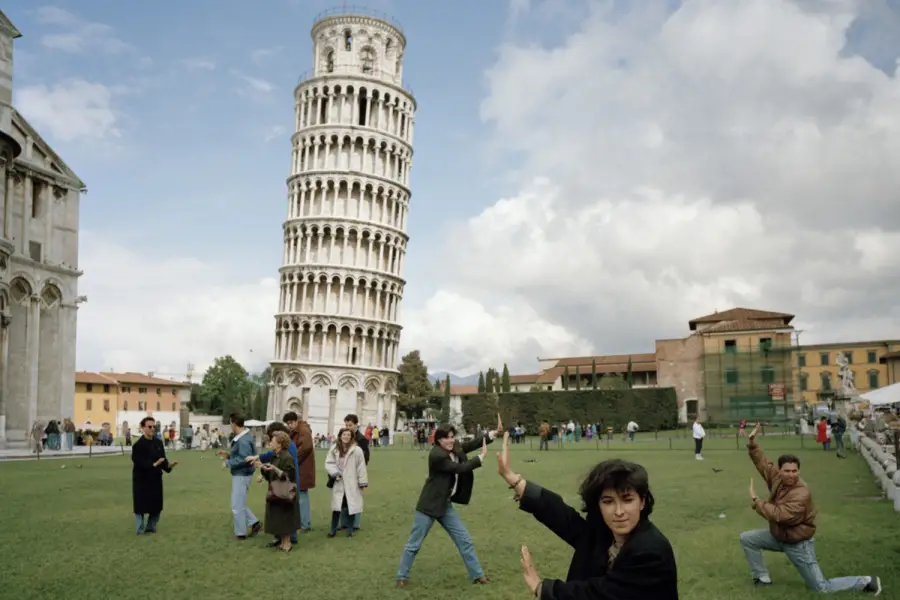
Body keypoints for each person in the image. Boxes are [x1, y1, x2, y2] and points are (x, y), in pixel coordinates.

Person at [496, 432, 678, 599]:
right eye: (608, 501)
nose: (619, 511)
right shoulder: (605, 534)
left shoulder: (649, 551)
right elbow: (564, 518)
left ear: (642, 501)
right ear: (597, 505)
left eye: (627, 499)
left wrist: (541, 587)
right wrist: (514, 480)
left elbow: (599, 595)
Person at [738, 422, 882, 594]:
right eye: (787, 471)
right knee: (747, 539)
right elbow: (763, 464)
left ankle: (866, 582)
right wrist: (753, 443)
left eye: (794, 471)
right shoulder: (777, 478)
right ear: (780, 470)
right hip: (779, 536)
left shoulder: (801, 493)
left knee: (821, 587)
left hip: (798, 544)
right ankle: (762, 579)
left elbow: (781, 515)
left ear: (798, 471)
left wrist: (756, 500)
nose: (791, 475)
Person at [396, 415, 503, 588]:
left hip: (445, 505)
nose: (451, 440)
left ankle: (477, 575)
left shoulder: (454, 447)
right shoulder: (437, 455)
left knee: (464, 540)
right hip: (429, 506)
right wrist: (480, 458)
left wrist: (493, 434)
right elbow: (459, 468)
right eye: (446, 438)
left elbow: (471, 444)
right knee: (414, 544)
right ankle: (401, 577)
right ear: (439, 440)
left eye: (452, 437)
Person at [248, 422, 301, 547]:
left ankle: (287, 543)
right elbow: (271, 475)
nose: (270, 442)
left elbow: (288, 475)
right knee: (278, 516)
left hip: (285, 491)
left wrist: (274, 469)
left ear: (279, 443)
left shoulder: (287, 457)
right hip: (276, 490)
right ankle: (282, 542)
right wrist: (262, 468)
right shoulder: (275, 456)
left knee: (285, 516)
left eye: (272, 440)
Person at [216, 413, 261, 540]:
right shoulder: (244, 437)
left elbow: (244, 458)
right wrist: (229, 455)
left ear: (234, 423)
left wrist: (228, 462)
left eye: (230, 423)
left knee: (236, 505)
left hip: (242, 474)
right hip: (243, 473)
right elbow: (243, 456)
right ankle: (254, 523)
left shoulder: (243, 440)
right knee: (239, 502)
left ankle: (241, 534)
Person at [132, 417, 178, 534]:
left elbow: (162, 460)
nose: (152, 429)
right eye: (150, 426)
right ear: (143, 428)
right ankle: (140, 528)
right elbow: (138, 461)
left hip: (155, 479)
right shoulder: (138, 445)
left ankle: (151, 526)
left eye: (154, 427)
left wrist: (169, 466)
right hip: (142, 479)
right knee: (140, 505)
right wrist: (153, 464)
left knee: (156, 504)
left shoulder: (158, 443)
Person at [324, 427, 368, 538]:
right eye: (344, 435)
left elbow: (361, 467)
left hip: (351, 481)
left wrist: (362, 482)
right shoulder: (334, 449)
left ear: (351, 437)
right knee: (337, 506)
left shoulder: (356, 450)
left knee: (350, 505)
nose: (346, 437)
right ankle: (333, 529)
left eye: (348, 435)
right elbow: (329, 463)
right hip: (339, 481)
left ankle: (350, 529)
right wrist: (335, 473)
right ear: (340, 436)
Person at [342, 414, 369, 530]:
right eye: (346, 425)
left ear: (356, 425)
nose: (348, 427)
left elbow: (365, 457)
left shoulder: (361, 439)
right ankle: (344, 522)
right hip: (345, 472)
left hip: (356, 473)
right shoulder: (344, 437)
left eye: (350, 425)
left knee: (355, 497)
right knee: (343, 497)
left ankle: (355, 523)